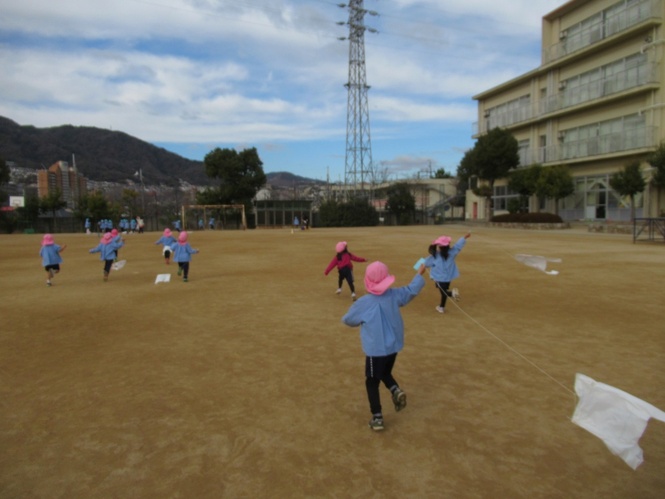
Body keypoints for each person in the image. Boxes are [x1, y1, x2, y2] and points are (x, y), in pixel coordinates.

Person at [342, 261, 426, 431]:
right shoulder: (395, 295)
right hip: (393, 347)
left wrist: (362, 321)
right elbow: (411, 290)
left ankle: (377, 417)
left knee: (372, 381)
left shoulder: (363, 303)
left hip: (375, 350)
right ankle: (395, 390)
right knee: (385, 372)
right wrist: (420, 274)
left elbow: (348, 320)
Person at [423, 233, 471, 314]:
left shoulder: (435, 256)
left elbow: (424, 262)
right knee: (443, 292)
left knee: (443, 293)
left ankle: (450, 295)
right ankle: (442, 307)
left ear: (439, 246)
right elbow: (458, 246)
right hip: (448, 278)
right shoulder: (452, 253)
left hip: (439, 279)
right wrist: (464, 237)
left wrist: (416, 266)